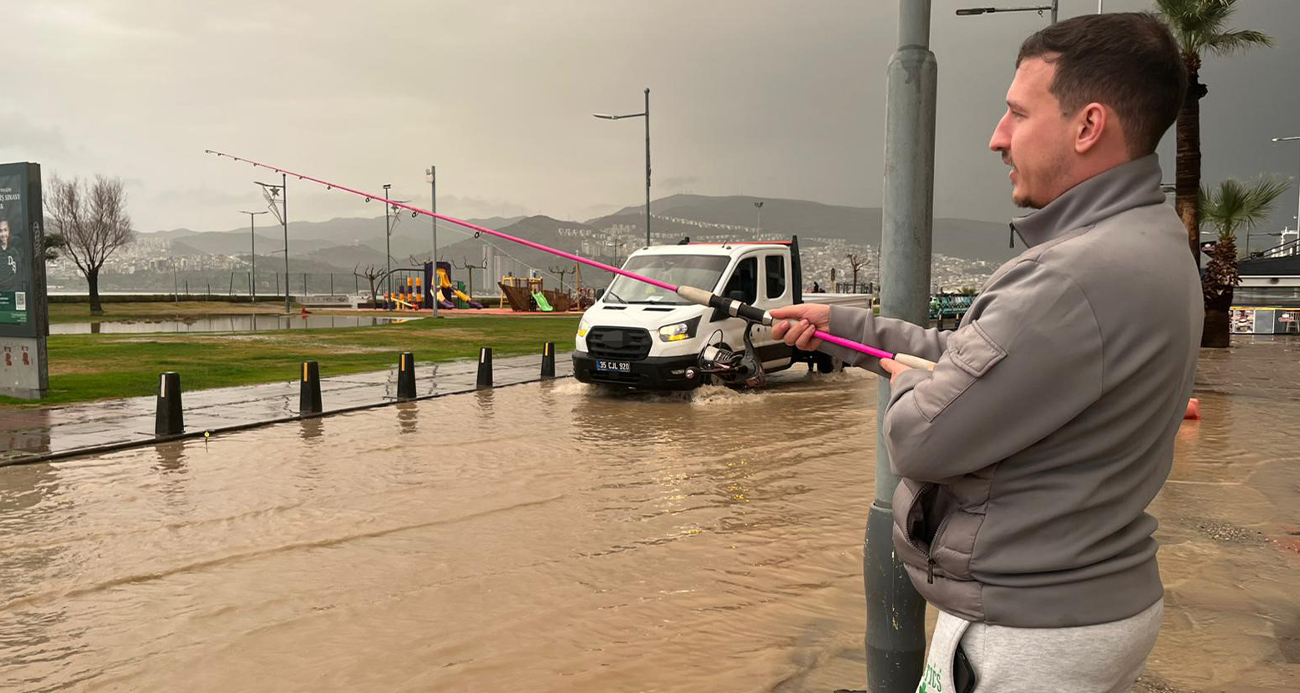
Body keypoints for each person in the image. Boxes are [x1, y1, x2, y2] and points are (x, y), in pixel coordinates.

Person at [773, 13, 1199, 693]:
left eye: (1016, 113)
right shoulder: (1152, 242)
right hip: (1092, 606)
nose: (996, 137)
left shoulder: (1069, 277)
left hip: (1030, 635)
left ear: (1088, 126)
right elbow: (973, 359)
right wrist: (851, 331)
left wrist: (912, 385)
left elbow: (920, 438)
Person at [0, 218, 28, 293]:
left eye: (5, 230)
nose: (3, 234)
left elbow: (20, 270)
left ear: (9, 231)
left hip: (13, 291)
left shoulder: (16, 249)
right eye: (0, 231)